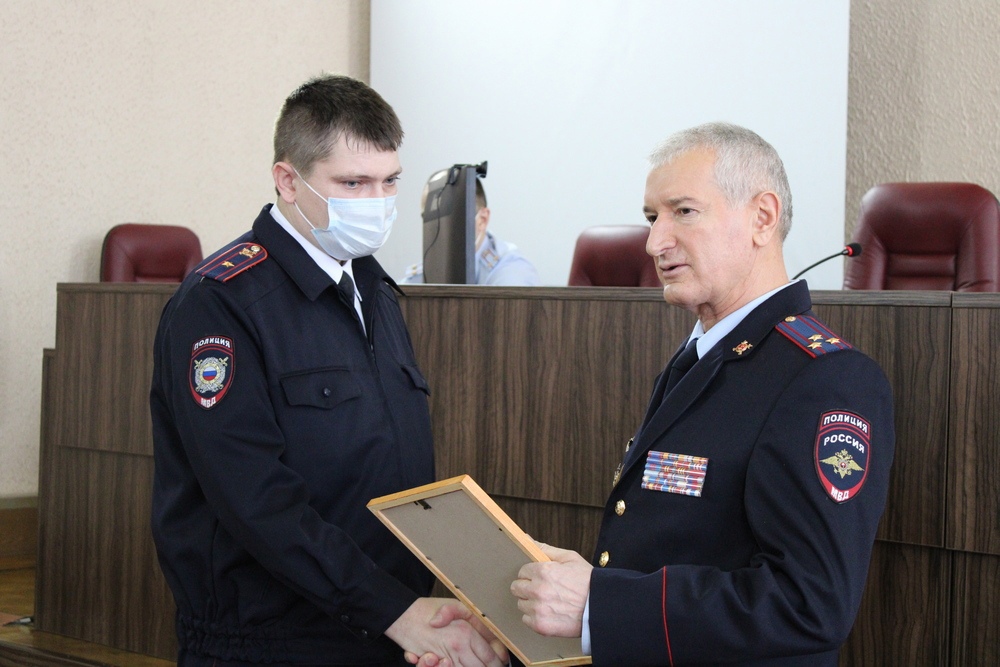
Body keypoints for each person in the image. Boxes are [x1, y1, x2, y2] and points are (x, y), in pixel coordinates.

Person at [150, 74, 506, 667]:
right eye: (353, 183)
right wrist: (392, 610)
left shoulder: (372, 287)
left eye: (390, 181)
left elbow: (385, 463)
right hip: (270, 642)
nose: (377, 202)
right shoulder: (221, 303)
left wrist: (412, 608)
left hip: (383, 628)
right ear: (288, 180)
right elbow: (254, 499)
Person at [508, 122, 895, 666]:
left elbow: (810, 604)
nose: (654, 242)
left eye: (683, 211)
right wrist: (582, 595)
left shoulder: (824, 379)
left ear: (763, 217)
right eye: (652, 218)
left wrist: (603, 604)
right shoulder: (703, 356)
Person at [401, 171, 540, 286]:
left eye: (451, 220)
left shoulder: (511, 271)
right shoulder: (422, 274)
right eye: (430, 220)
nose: (440, 231)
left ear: (482, 220)